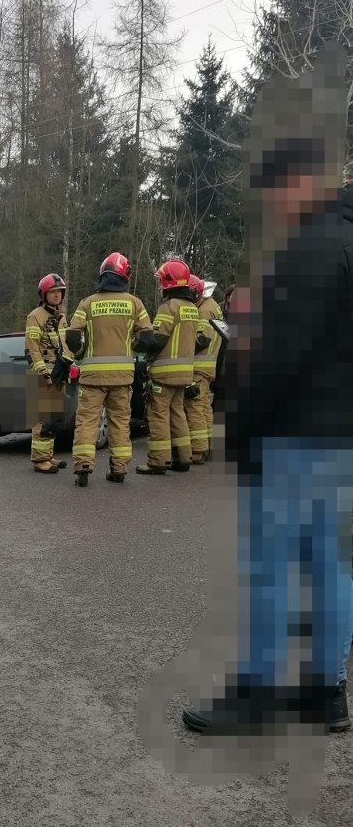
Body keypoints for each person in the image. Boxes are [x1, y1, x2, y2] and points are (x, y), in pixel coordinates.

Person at [183, 41, 353, 734]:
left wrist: (244, 428)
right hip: (342, 438)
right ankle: (326, 691)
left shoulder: (310, 249)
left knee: (271, 566)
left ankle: (256, 694)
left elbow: (279, 355)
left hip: (297, 436)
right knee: (332, 565)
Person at [64, 252, 153, 486]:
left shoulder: (88, 303)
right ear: (125, 275)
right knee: (120, 422)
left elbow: (72, 336)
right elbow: (147, 337)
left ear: (102, 275)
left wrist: (81, 354)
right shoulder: (135, 303)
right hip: (123, 377)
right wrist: (131, 349)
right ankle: (119, 469)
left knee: (86, 421)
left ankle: (83, 467)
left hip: (92, 377)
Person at [136, 260, 197, 476]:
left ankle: (158, 461)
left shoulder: (168, 307)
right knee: (178, 413)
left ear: (167, 282)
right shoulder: (191, 308)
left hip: (164, 373)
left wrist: (142, 352)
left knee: (158, 416)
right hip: (184, 374)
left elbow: (157, 340)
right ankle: (183, 458)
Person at [24, 273, 69, 473]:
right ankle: (40, 459)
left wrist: (68, 363)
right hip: (44, 372)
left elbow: (65, 343)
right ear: (44, 294)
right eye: (52, 292)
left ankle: (48, 455)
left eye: (59, 292)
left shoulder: (62, 315)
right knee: (42, 418)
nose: (57, 295)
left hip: (58, 370)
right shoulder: (35, 316)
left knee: (53, 417)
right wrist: (43, 372)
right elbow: (32, 348)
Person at [184, 274, 222, 464]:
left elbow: (202, 339)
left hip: (198, 366)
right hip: (207, 366)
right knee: (205, 407)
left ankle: (198, 450)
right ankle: (208, 446)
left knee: (195, 407)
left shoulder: (205, 310)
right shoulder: (213, 306)